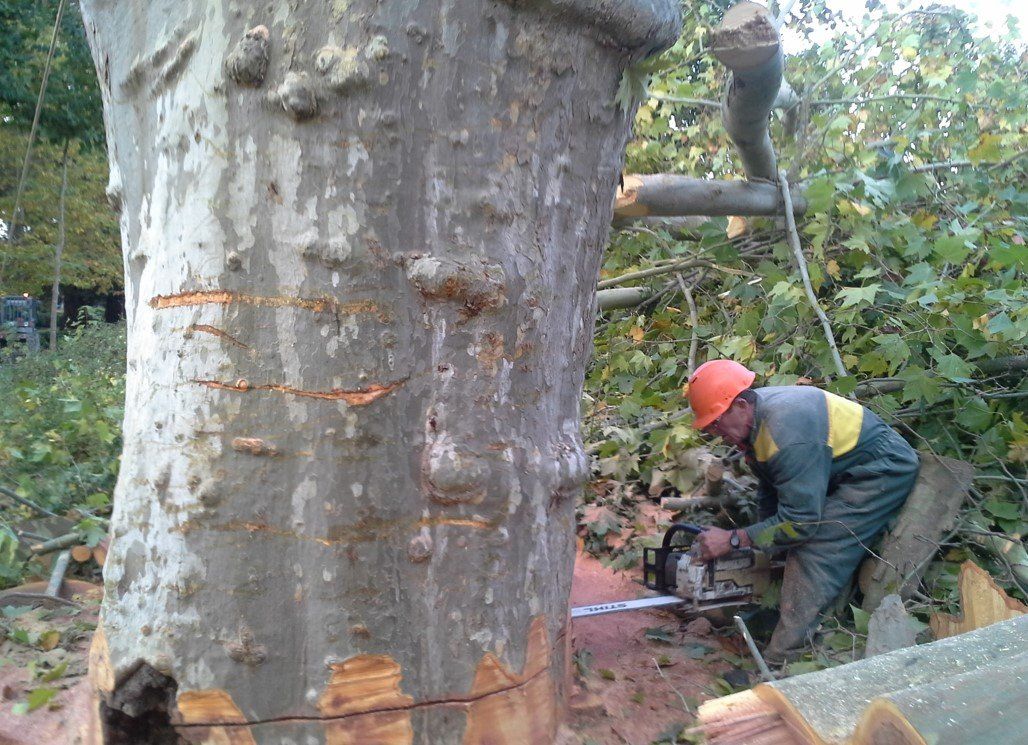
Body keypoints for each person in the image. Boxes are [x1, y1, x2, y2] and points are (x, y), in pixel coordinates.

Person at [685, 359, 920, 663]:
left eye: (717, 422)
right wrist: (761, 543)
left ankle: (783, 657)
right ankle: (767, 616)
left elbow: (802, 523)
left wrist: (734, 539)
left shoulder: (787, 432)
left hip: (879, 471)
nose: (716, 432)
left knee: (816, 546)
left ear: (741, 405)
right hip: (837, 468)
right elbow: (772, 488)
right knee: (777, 541)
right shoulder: (758, 421)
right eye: (711, 426)